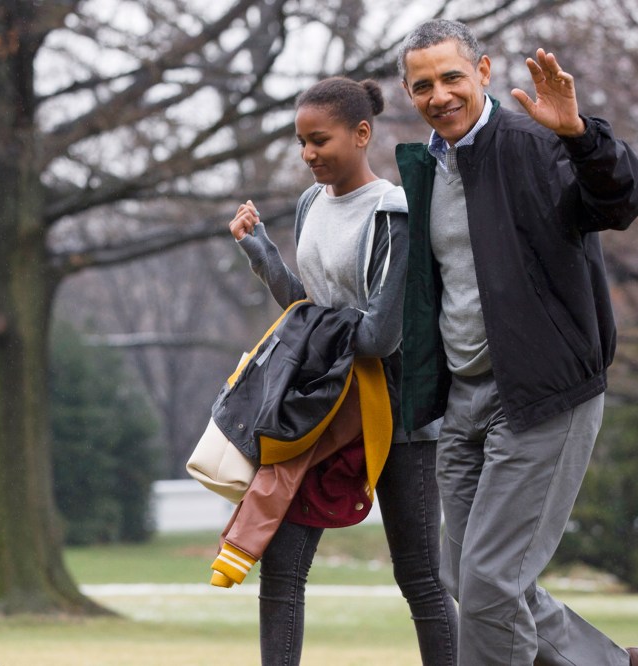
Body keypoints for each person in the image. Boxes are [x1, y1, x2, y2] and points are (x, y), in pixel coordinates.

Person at [395, 18, 638, 666]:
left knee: (491, 586)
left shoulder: (534, 141)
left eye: (452, 76)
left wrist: (583, 137)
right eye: (423, 85)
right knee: (471, 581)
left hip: (542, 393)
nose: (440, 94)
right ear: (409, 94)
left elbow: (617, 200)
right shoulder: (427, 169)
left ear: (484, 72)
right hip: (463, 400)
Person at [229, 77, 457, 665]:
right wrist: (262, 253)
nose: (307, 154)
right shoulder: (310, 204)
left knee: (421, 580)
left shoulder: (395, 216)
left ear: (361, 134)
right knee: (281, 569)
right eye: (301, 141)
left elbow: (382, 336)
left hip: (398, 417)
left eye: (319, 140)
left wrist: (318, 327)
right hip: (321, 406)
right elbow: (304, 305)